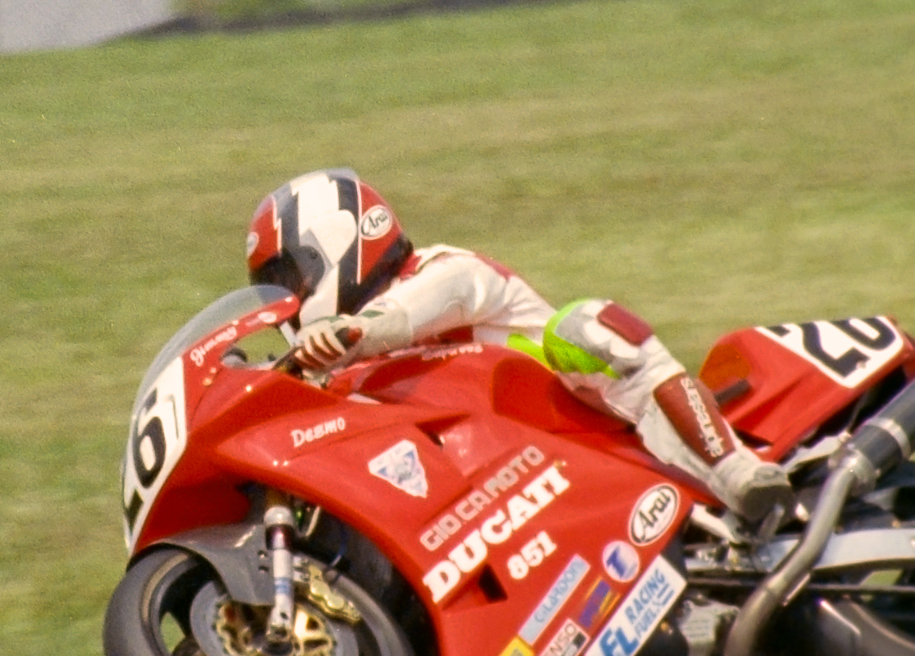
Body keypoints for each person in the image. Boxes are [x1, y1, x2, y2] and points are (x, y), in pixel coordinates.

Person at [244, 168, 793, 524]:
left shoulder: (445, 270)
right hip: (495, 500)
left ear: (339, 241)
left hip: (590, 432)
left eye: (292, 275)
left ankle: (735, 470)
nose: (289, 298)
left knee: (581, 327)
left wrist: (350, 334)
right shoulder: (338, 371)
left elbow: (411, 311)